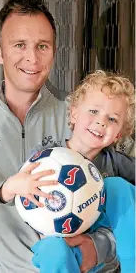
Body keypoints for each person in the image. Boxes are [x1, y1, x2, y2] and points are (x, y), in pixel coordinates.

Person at [0, 0, 133, 273]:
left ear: (54, 51)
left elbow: (128, 204)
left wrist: (99, 247)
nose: (32, 58)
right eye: (19, 45)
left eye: (42, 46)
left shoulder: (87, 114)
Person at [28, 70, 135, 273]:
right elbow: (18, 190)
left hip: (104, 249)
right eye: (94, 111)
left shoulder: (116, 162)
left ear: (118, 134)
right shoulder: (45, 157)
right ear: (74, 113)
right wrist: (16, 186)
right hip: (64, 244)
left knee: (117, 187)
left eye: (112, 119)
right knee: (52, 250)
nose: (101, 121)